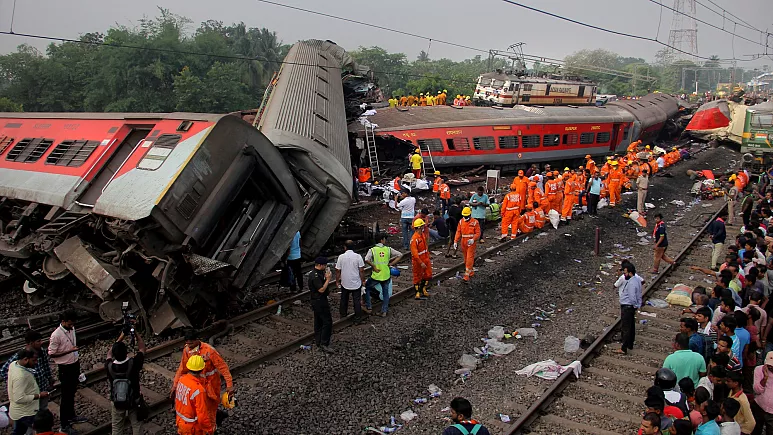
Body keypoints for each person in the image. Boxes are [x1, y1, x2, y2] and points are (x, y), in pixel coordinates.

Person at [171, 330, 233, 428]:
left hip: (211, 386)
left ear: (197, 340)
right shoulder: (187, 350)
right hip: (197, 386)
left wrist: (229, 385)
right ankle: (213, 421)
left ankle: (212, 427)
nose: (189, 345)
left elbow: (223, 368)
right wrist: (175, 384)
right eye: (187, 343)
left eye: (191, 343)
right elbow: (182, 368)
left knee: (210, 409)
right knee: (201, 408)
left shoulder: (209, 351)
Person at [48, 310, 85, 432]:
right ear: (62, 322)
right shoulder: (56, 335)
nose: (72, 326)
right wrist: (68, 351)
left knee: (72, 392)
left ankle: (72, 416)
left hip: (74, 363)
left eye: (72, 324)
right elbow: (52, 354)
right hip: (65, 367)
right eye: (69, 324)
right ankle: (64, 425)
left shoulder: (72, 329)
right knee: (66, 396)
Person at [106, 327, 146, 435]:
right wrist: (136, 332)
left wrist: (122, 335)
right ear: (126, 352)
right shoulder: (134, 363)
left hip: (117, 401)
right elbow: (142, 347)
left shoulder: (109, 366)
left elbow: (109, 354)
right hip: (134, 400)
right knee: (137, 425)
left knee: (117, 427)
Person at [0, 330, 53, 412]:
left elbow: (46, 366)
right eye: (38, 341)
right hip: (30, 394)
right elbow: (4, 370)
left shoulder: (41, 351)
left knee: (43, 410)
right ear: (31, 343)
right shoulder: (21, 355)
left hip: (42, 388)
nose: (41, 343)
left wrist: (50, 378)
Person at [8, 349, 47, 435]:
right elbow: (19, 398)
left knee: (19, 431)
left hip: (18, 412)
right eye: (34, 360)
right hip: (26, 413)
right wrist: (39, 395)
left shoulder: (13, 364)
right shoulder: (21, 376)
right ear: (26, 359)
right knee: (41, 430)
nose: (36, 362)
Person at [174, 355, 214, 435]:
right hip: (192, 428)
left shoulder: (182, 379)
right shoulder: (198, 390)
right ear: (202, 370)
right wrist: (209, 430)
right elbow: (202, 416)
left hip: (180, 422)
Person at [364, 234, 402, 317]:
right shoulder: (388, 249)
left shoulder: (372, 250)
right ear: (381, 240)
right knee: (385, 294)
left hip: (376, 275)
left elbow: (366, 259)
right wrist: (391, 263)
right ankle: (384, 311)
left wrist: (373, 266)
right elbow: (400, 255)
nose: (385, 240)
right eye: (384, 239)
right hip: (386, 275)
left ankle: (369, 307)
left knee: (366, 288)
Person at [308, 257, 334, 352]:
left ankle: (318, 341)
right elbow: (321, 289)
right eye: (325, 265)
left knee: (318, 321)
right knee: (327, 322)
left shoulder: (317, 273)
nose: (326, 267)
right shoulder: (315, 276)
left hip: (317, 301)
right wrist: (328, 279)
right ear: (320, 265)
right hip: (319, 301)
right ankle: (324, 343)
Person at [615, 262, 642, 354]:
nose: (624, 274)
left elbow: (632, 296)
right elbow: (638, 295)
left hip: (627, 306)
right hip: (630, 307)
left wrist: (634, 305)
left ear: (630, 273)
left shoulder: (631, 283)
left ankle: (624, 348)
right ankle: (630, 344)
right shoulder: (636, 280)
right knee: (631, 326)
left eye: (625, 273)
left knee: (626, 327)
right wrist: (637, 305)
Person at [336, 240, 366, 320]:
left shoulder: (341, 257)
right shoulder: (358, 256)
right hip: (356, 282)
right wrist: (363, 280)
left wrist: (337, 281)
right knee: (356, 300)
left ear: (345, 247)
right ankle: (358, 317)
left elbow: (338, 270)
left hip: (344, 282)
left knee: (344, 299)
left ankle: (343, 314)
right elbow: (361, 270)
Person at [454, 207, 481, 283]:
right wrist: (455, 241)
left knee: (469, 257)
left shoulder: (475, 222)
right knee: (466, 258)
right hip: (463, 241)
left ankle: (467, 275)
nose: (465, 217)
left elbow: (478, 233)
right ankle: (471, 271)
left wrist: (473, 239)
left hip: (471, 242)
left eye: (466, 216)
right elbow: (458, 232)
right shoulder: (461, 222)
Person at [411, 218, 432, 300]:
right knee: (417, 276)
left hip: (425, 258)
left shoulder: (422, 235)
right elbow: (415, 254)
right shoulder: (414, 239)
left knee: (428, 274)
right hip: (418, 261)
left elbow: (425, 246)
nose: (423, 227)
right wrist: (420, 262)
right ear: (419, 227)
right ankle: (417, 292)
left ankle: (423, 289)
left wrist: (428, 255)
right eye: (422, 226)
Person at [753, 351, 773, 434]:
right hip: (759, 406)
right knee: (755, 430)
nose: (770, 367)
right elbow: (757, 390)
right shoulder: (758, 370)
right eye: (769, 365)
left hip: (772, 413)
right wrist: (765, 378)